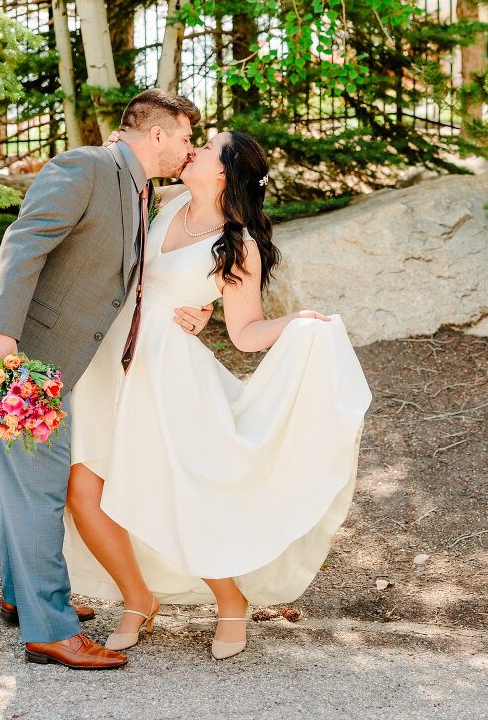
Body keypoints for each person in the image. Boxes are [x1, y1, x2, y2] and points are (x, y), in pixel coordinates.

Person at [63, 129, 373, 660]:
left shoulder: (238, 245)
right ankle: (138, 599)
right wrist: (122, 142)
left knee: (179, 493)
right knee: (82, 488)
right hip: (108, 356)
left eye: (206, 147)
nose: (194, 151)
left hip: (165, 375)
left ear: (225, 171)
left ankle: (230, 601)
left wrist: (297, 322)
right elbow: (124, 182)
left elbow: (245, 333)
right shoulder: (171, 201)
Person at [0, 89, 214, 669]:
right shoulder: (87, 167)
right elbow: (23, 242)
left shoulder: (138, 186)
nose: (190, 147)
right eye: (187, 136)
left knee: (26, 485)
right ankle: (51, 629)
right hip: (25, 357)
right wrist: (1, 333)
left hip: (59, 358)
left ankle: (22, 597)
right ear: (157, 135)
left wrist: (203, 306)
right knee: (40, 491)